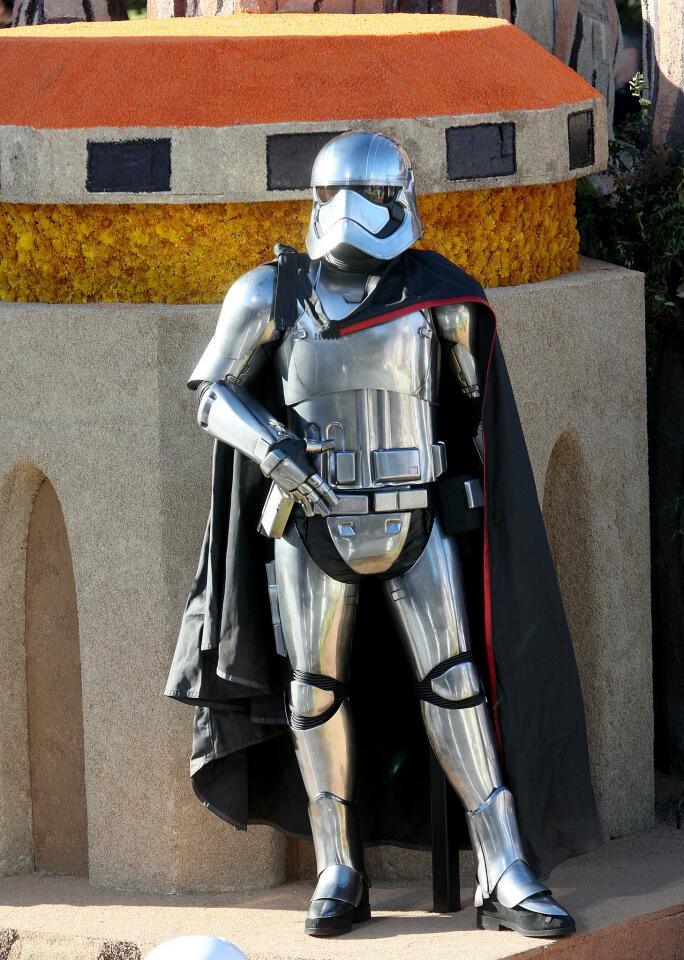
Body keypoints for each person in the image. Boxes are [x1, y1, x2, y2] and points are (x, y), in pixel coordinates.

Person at [167, 131, 601, 940]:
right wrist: (277, 450)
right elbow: (212, 394)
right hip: (309, 523)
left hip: (416, 515)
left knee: (456, 683)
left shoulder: (437, 298)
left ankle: (503, 864)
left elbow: (474, 414)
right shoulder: (269, 292)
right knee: (313, 689)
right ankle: (339, 865)